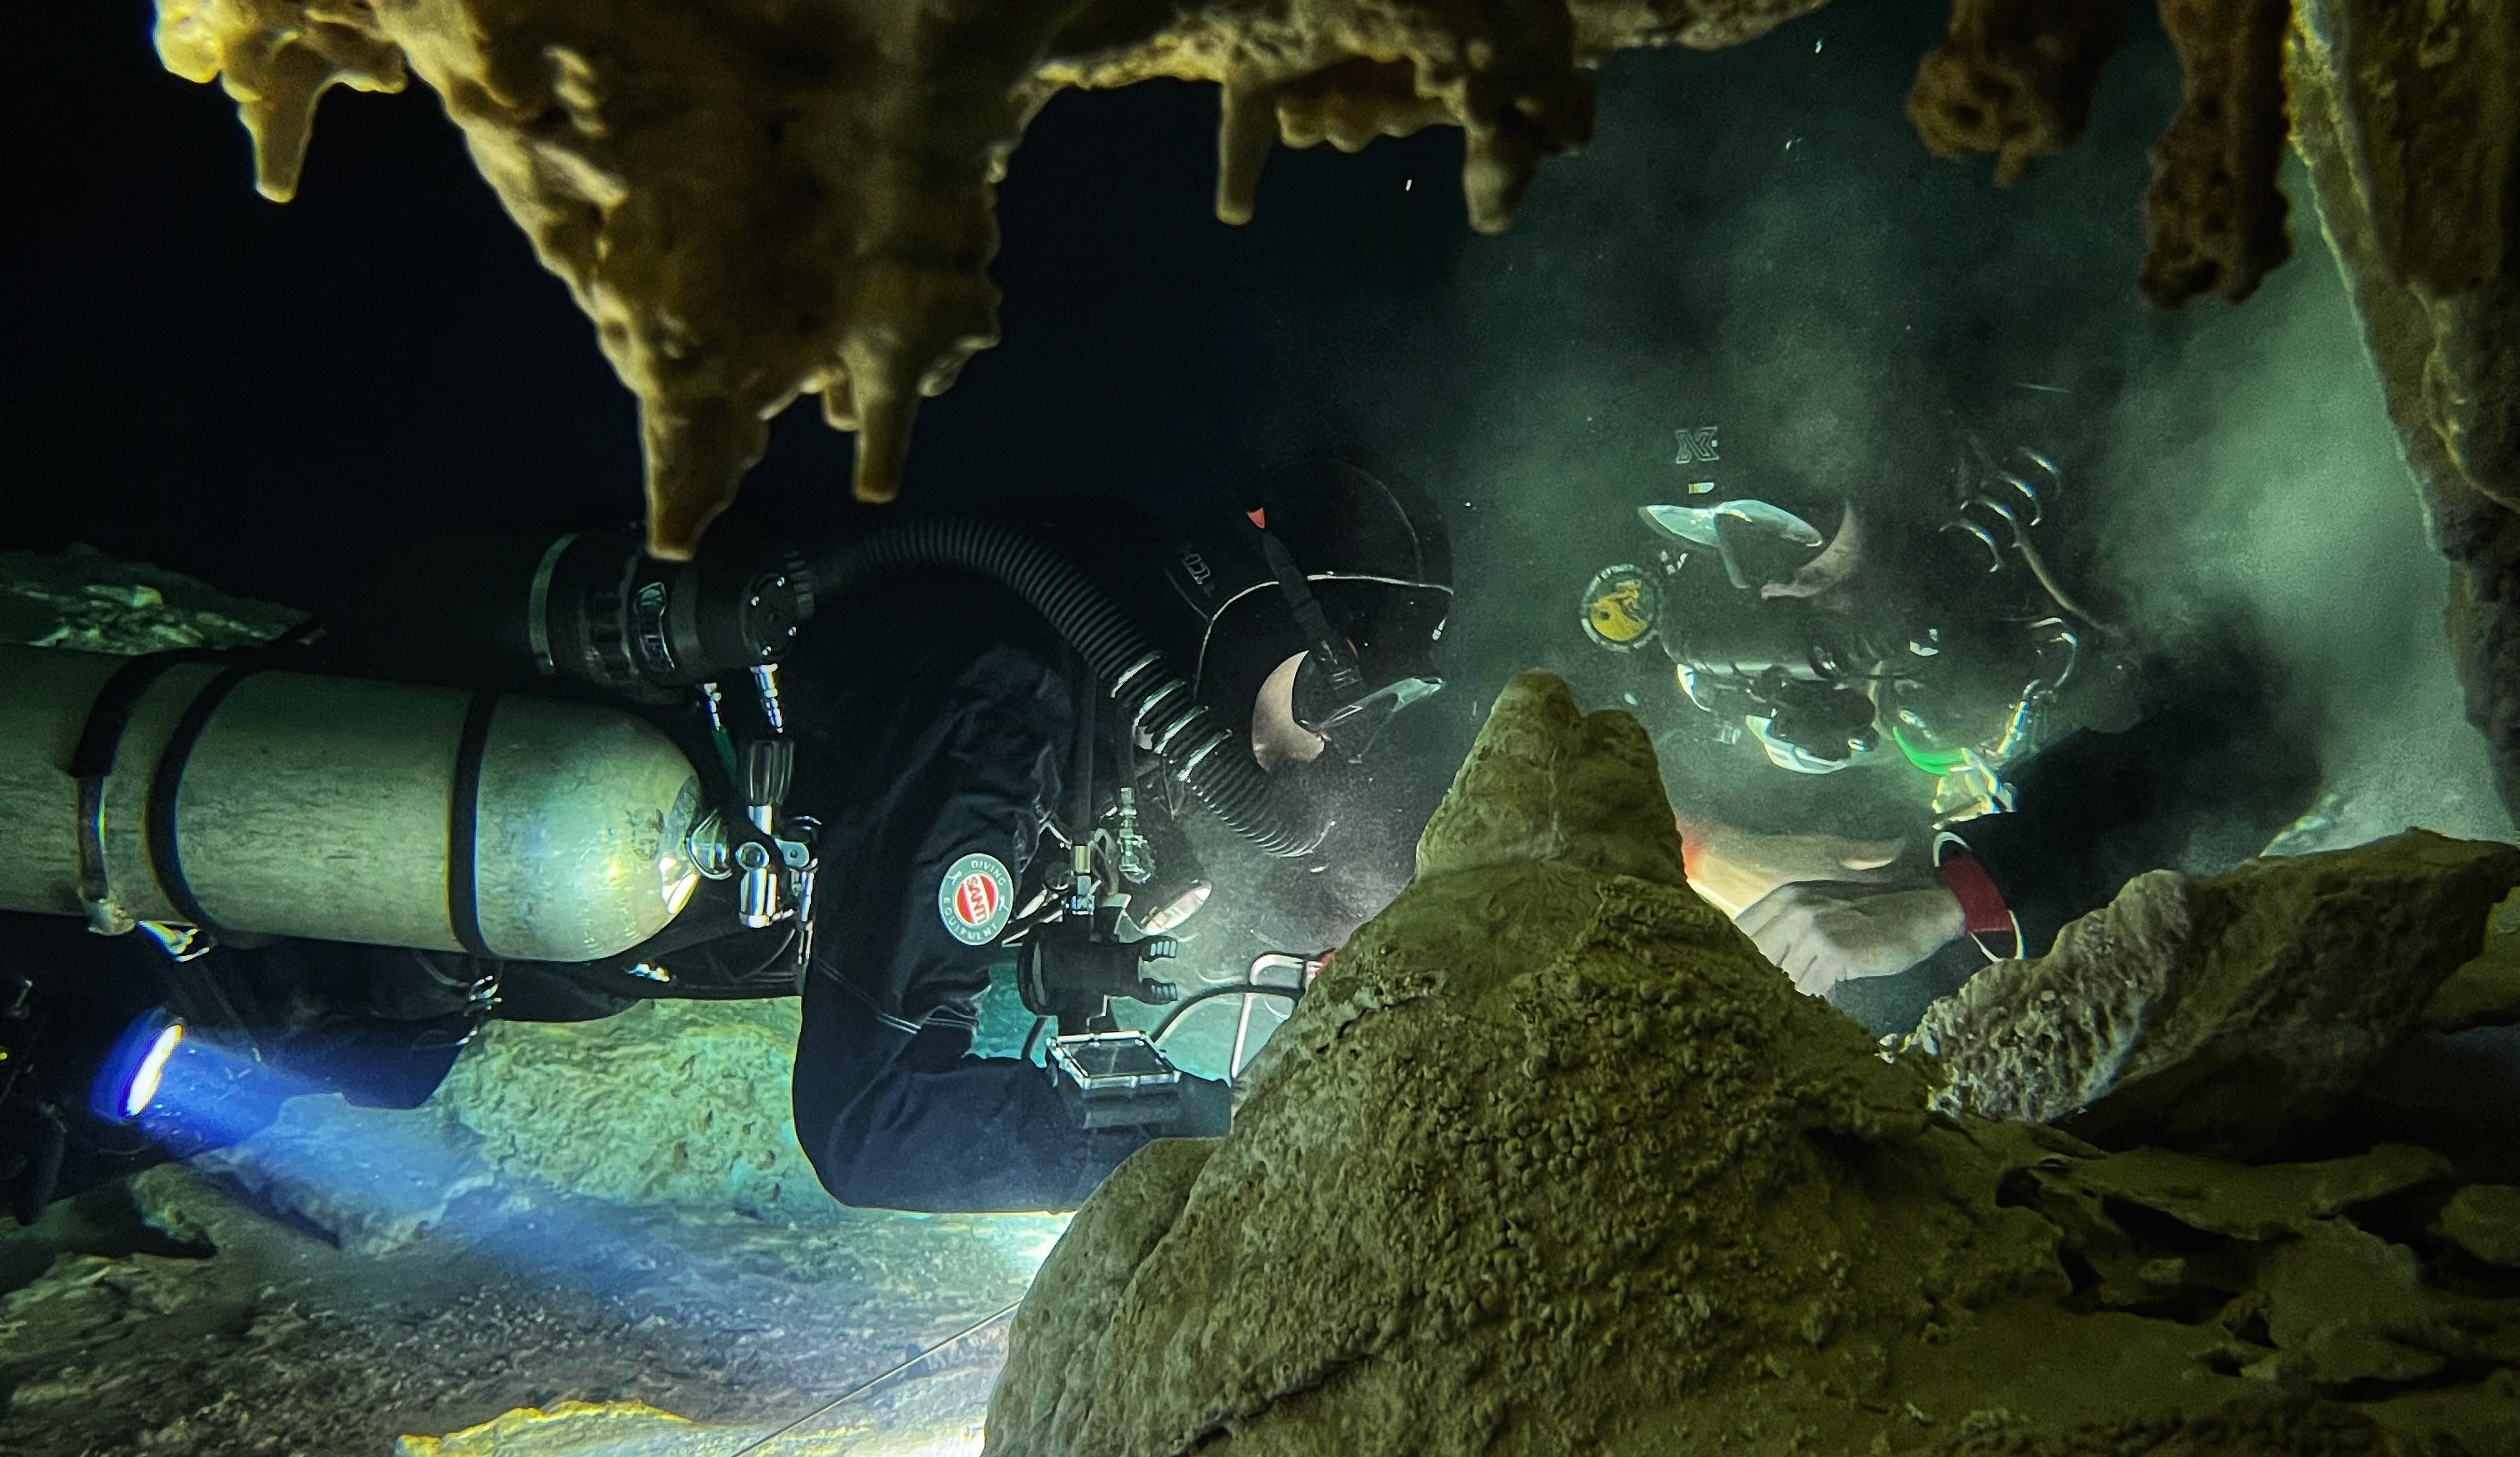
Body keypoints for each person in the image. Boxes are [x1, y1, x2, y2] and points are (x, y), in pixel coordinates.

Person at [787, 454, 1453, 1211]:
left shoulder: (1135, 716)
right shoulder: (1003, 716)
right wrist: (1218, 1130)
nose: (1340, 743)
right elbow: (868, 1124)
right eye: (1342, 699)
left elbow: (1280, 896)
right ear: (1259, 621)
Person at [1578, 408, 2318, 1020]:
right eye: (1712, 533)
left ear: (1878, 473)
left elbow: (2263, 729)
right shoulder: (1736, 640)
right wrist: (1704, 847)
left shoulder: (2078, 545)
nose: (1765, 578)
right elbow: (1560, 776)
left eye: (1791, 521)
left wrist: (1958, 896)